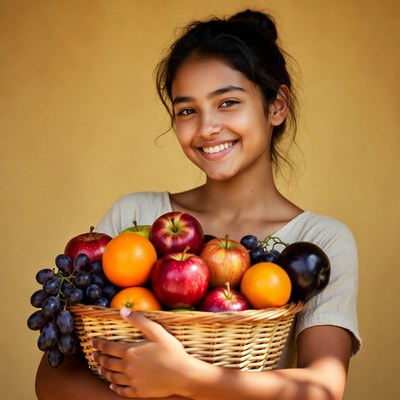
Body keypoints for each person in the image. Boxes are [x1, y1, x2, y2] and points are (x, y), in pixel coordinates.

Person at [35, 9, 361, 400]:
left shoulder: (319, 241)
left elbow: (322, 389)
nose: (206, 128)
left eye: (227, 102)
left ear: (277, 106)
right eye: (187, 110)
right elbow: (54, 378)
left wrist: (188, 379)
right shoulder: (134, 218)